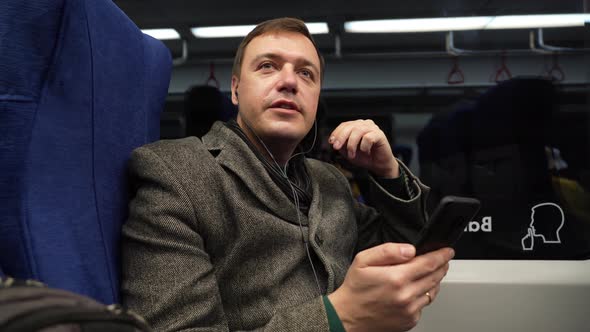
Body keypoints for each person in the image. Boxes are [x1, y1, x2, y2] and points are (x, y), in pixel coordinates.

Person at [121, 17, 454, 332]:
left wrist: (388, 173)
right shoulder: (176, 173)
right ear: (235, 90)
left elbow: (401, 254)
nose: (290, 81)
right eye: (267, 66)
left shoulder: (330, 180)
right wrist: (342, 317)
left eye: (307, 74)